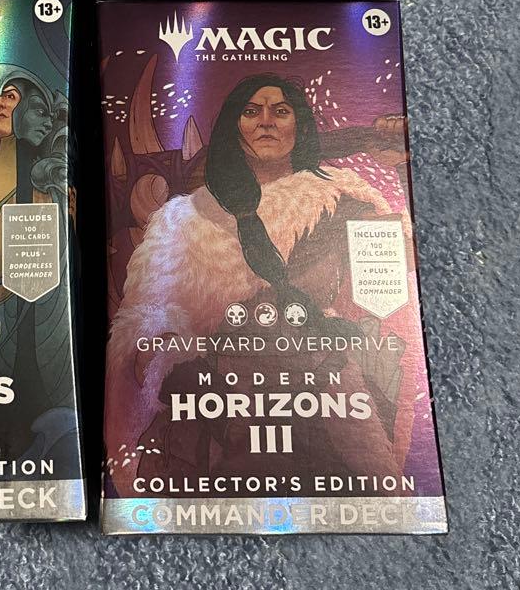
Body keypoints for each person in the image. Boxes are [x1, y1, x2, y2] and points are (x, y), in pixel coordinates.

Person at [105, 75, 418, 494]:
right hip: (209, 405)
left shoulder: (340, 201)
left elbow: (400, 269)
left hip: (323, 396)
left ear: (298, 124)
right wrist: (163, 349)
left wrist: (401, 168)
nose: (266, 122)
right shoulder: (185, 219)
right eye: (251, 111)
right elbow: (143, 324)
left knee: (374, 491)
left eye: (281, 111)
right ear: (234, 126)